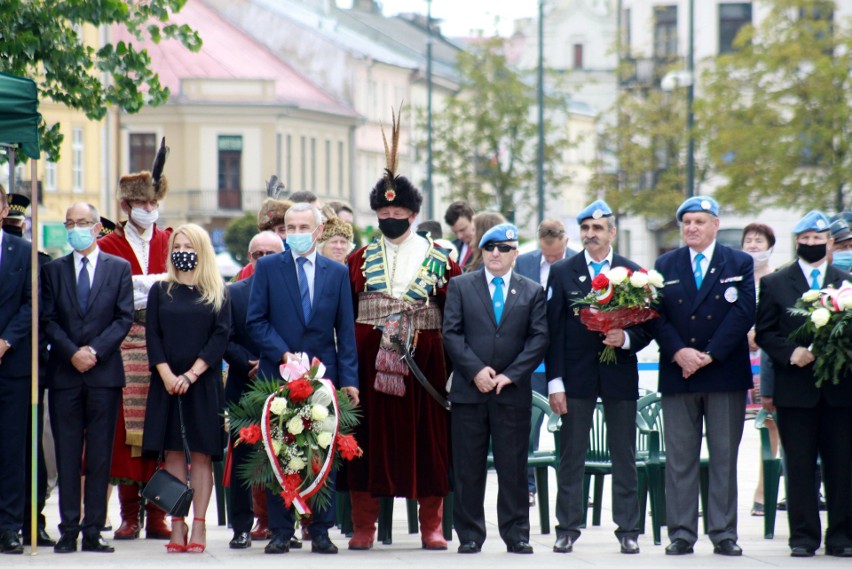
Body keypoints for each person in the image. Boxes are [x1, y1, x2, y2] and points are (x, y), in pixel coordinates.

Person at [346, 110, 461, 551]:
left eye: (397, 211)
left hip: (424, 365)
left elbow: (452, 315)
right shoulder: (358, 260)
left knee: (427, 442)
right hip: (369, 368)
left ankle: (431, 525)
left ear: (413, 213)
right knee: (366, 440)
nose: (389, 216)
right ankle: (363, 526)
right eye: (383, 211)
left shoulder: (440, 259)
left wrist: (449, 365)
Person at [246, 202, 359, 555]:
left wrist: (350, 379)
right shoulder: (267, 268)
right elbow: (256, 320)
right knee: (281, 451)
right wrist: (283, 354)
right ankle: (281, 530)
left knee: (321, 450)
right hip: (278, 375)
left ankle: (322, 529)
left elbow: (346, 331)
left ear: (318, 231)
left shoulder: (336, 273)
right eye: (290, 227)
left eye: (302, 227)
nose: (295, 234)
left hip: (323, 377)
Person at [545, 200, 652, 554]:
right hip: (576, 378)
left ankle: (628, 530)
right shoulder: (563, 272)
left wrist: (626, 339)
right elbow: (553, 331)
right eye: (586, 229)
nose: (591, 235)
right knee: (571, 454)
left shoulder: (633, 273)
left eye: (598, 228)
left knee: (624, 453)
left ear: (612, 232)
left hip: (619, 374)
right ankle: (567, 528)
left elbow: (648, 326)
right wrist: (555, 383)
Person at [653, 196, 755, 557]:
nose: (692, 228)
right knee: (680, 458)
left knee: (725, 456)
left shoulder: (738, 262)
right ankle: (681, 532)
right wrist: (680, 352)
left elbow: (743, 314)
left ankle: (724, 532)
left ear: (715, 224)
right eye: (687, 222)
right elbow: (656, 316)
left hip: (723, 372)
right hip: (679, 372)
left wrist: (708, 356)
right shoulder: (666, 264)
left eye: (699, 221)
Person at [443, 222, 548, 554]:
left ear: (515, 253)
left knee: (513, 465)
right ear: (481, 252)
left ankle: (516, 532)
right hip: (469, 391)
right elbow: (451, 333)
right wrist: (475, 371)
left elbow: (538, 338)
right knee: (468, 466)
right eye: (490, 248)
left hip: (511, 392)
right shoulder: (461, 285)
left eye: (504, 248)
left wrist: (511, 375)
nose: (496, 254)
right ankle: (470, 533)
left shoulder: (531, 290)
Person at [755, 211, 852, 558]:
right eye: (805, 238)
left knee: (841, 465)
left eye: (818, 239)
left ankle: (841, 536)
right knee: (799, 465)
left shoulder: (846, 282)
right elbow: (766, 332)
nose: (812, 244)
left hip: (840, 389)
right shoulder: (776, 283)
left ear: (829, 242)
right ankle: (804, 537)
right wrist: (790, 352)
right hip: (795, 389)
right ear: (797, 241)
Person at [42, 203, 134, 553]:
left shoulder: (118, 268)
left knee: (99, 456)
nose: (77, 228)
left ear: (98, 228)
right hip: (65, 373)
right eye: (71, 223)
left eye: (83, 222)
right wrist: (72, 352)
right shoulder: (54, 270)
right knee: (66, 455)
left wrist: (93, 351)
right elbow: (48, 319)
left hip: (104, 374)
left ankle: (94, 528)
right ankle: (68, 528)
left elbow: (123, 318)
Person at [141, 224, 230, 554]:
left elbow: (220, 337)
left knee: (203, 454)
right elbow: (153, 336)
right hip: (166, 383)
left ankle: (200, 525)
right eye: (178, 245)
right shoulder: (160, 289)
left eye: (190, 246)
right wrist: (166, 374)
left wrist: (191, 375)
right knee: (174, 453)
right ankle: (177, 524)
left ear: (202, 250)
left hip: (202, 383)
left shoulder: (217, 291)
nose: (183, 251)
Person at [97, 155, 173, 541]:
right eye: (141, 203)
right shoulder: (107, 244)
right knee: (126, 435)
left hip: (163, 345)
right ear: (126, 206)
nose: (149, 209)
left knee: (160, 429)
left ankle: (159, 512)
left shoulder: (171, 238)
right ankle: (130, 513)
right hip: (122, 345)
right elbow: (108, 293)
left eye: (153, 203)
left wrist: (148, 287)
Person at [223, 231, 284, 550]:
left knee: (284, 457)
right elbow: (225, 338)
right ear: (249, 258)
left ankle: (281, 525)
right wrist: (251, 362)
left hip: (284, 387)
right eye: (257, 253)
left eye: (270, 253)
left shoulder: (291, 292)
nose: (263, 259)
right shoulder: (233, 293)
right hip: (243, 385)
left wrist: (272, 361)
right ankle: (241, 527)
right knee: (244, 459)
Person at [0, 185, 34, 555]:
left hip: (12, 364)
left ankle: (9, 525)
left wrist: (6, 341)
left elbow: (30, 303)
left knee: (12, 449)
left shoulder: (21, 251)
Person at [740, 223, 780, 517]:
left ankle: (764, 492)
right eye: (749, 240)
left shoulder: (778, 279)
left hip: (766, 360)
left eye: (759, 240)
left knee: (770, 423)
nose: (753, 245)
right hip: (737, 357)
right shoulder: (734, 276)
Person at [233, 177, 293, 282]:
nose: (276, 235)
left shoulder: (301, 268)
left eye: (282, 230)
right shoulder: (244, 273)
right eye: (270, 231)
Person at [444, 200, 476, 269]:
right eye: (455, 232)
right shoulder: (451, 249)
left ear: (473, 219)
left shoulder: (488, 248)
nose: (459, 236)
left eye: (462, 230)